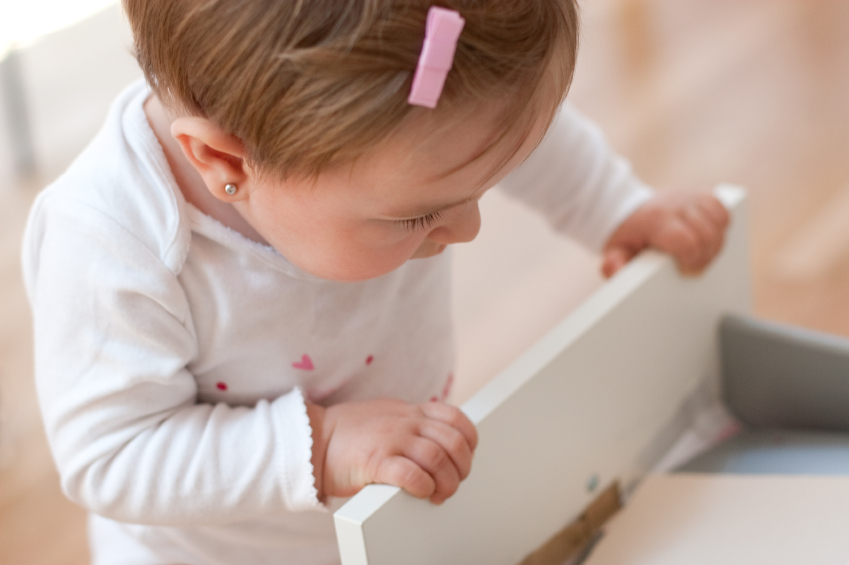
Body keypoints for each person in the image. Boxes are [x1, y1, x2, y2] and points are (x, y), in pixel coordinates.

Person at [21, 1, 729, 563]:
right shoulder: (110, 242)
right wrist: (318, 445)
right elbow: (110, 455)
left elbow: (502, 137)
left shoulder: (423, 130)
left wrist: (616, 209)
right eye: (419, 214)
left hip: (391, 518)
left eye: (478, 184)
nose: (467, 228)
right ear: (221, 159)